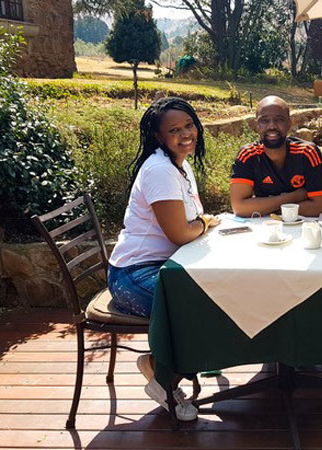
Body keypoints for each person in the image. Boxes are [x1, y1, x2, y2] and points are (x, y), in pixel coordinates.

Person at [107, 97, 219, 422]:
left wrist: (200, 224)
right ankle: (162, 378)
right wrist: (204, 223)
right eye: (174, 130)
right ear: (158, 136)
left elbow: (188, 225)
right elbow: (180, 233)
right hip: (133, 276)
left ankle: (161, 366)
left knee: (221, 298)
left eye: (189, 125)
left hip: (161, 267)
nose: (185, 134)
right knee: (205, 309)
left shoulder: (179, 166)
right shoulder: (160, 170)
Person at [230, 95, 322, 217]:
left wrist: (267, 208)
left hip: (303, 226)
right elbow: (239, 208)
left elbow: (319, 207)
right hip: (265, 226)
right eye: (264, 121)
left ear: (289, 123)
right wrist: (294, 197)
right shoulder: (248, 155)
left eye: (279, 120)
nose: (272, 126)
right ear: (257, 125)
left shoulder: (307, 152)